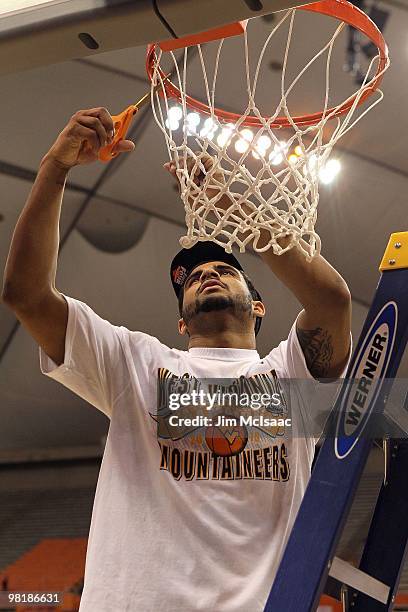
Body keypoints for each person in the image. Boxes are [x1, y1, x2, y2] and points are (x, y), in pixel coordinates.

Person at [2, 108, 351, 611]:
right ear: (183, 324)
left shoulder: (289, 376)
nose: (206, 273)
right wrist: (54, 169)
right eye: (192, 277)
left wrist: (238, 212)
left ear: (259, 305)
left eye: (223, 269)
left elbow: (332, 302)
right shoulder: (134, 363)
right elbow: (26, 295)